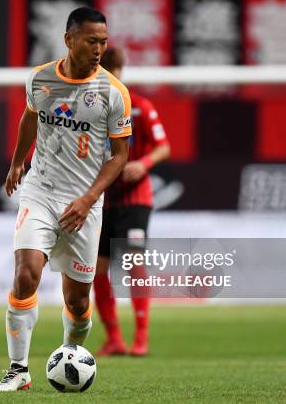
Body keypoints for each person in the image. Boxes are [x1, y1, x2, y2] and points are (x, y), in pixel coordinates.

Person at [0, 6, 131, 392]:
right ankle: (18, 371)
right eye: (91, 41)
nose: (99, 49)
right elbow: (30, 117)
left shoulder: (113, 94)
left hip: (84, 204)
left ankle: (70, 355)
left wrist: (88, 199)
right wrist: (18, 162)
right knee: (25, 275)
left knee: (79, 303)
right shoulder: (40, 79)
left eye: (103, 41)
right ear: (69, 40)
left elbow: (120, 156)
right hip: (41, 191)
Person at [93, 47, 170, 357]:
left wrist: (144, 164)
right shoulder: (92, 108)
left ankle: (141, 336)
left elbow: (164, 147)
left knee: (134, 264)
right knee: (96, 270)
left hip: (135, 198)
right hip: (100, 199)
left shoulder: (139, 106)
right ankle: (114, 338)